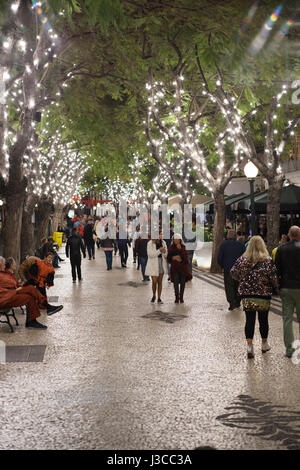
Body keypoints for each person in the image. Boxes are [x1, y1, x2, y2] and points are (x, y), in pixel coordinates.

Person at [231, 236, 278, 359]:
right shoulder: (267, 260)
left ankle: (250, 346)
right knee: (263, 319)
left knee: (249, 320)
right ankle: (264, 343)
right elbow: (273, 277)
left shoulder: (242, 260)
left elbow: (233, 273)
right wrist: (275, 289)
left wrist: (242, 279)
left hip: (247, 295)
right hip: (263, 295)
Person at [0, 256, 47, 329]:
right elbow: (11, 284)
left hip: (10, 295)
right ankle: (44, 304)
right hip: (5, 299)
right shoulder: (2, 274)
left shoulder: (4, 273)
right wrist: (18, 287)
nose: (4, 265)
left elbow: (13, 284)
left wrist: (21, 286)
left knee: (30, 295)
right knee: (30, 290)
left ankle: (31, 321)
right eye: (3, 264)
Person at [275, 226, 300, 358]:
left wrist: (276, 288)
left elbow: (277, 270)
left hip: (286, 288)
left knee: (287, 319)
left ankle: (290, 350)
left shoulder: (281, 249)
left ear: (289, 235)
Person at [217, 229, 246, 311]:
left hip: (228, 269)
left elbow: (219, 258)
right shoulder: (241, 245)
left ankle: (232, 303)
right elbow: (245, 257)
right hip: (239, 270)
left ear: (227, 236)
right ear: (235, 236)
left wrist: (223, 266)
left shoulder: (223, 245)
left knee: (229, 286)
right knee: (238, 285)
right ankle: (237, 301)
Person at [167, 234, 192, 303]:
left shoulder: (183, 247)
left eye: (177, 239)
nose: (176, 241)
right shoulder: (171, 248)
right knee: (175, 282)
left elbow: (186, 260)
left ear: (180, 240)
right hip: (174, 269)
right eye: (175, 239)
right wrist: (173, 258)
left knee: (183, 283)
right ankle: (176, 297)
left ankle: (181, 297)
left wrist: (180, 255)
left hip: (183, 269)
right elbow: (168, 259)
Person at [145, 232, 168, 303]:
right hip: (153, 264)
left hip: (161, 263)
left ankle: (159, 298)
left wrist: (164, 252)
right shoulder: (150, 243)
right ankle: (154, 295)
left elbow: (166, 254)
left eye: (161, 234)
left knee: (160, 282)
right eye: (160, 234)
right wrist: (159, 250)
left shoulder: (163, 242)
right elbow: (150, 254)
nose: (161, 235)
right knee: (154, 282)